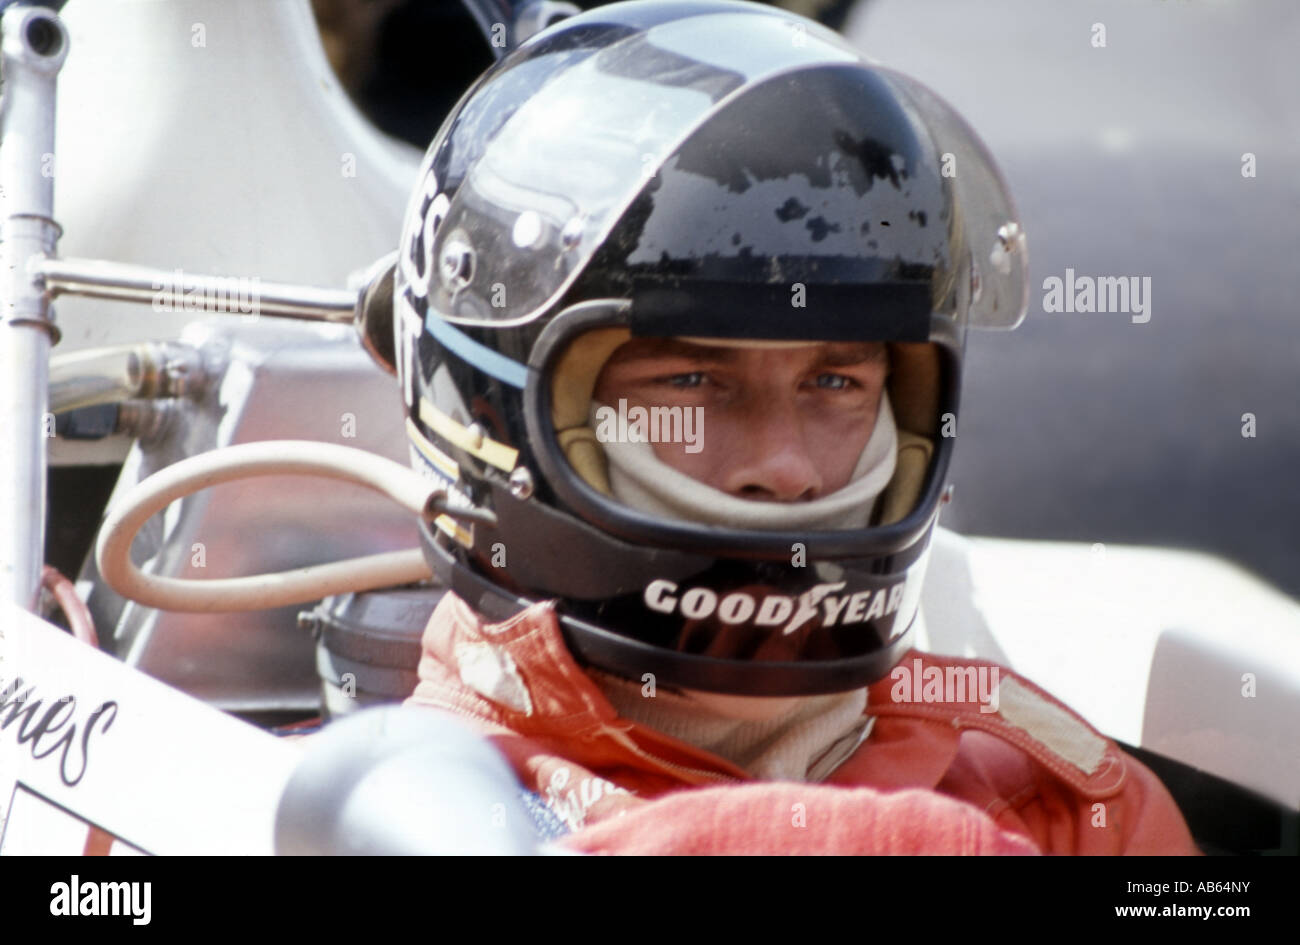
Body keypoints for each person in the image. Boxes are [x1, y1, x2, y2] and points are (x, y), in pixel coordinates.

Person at [396, 0, 1198, 854]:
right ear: (502, 416)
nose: (785, 467)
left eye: (834, 379)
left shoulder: (1075, 809)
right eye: (695, 378)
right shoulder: (364, 807)